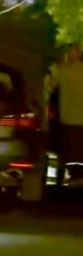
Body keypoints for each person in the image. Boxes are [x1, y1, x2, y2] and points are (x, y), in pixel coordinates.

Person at [49, 45, 83, 181]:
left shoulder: (62, 70)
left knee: (71, 148)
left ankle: (75, 175)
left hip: (68, 117)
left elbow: (50, 86)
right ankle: (78, 174)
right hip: (76, 117)